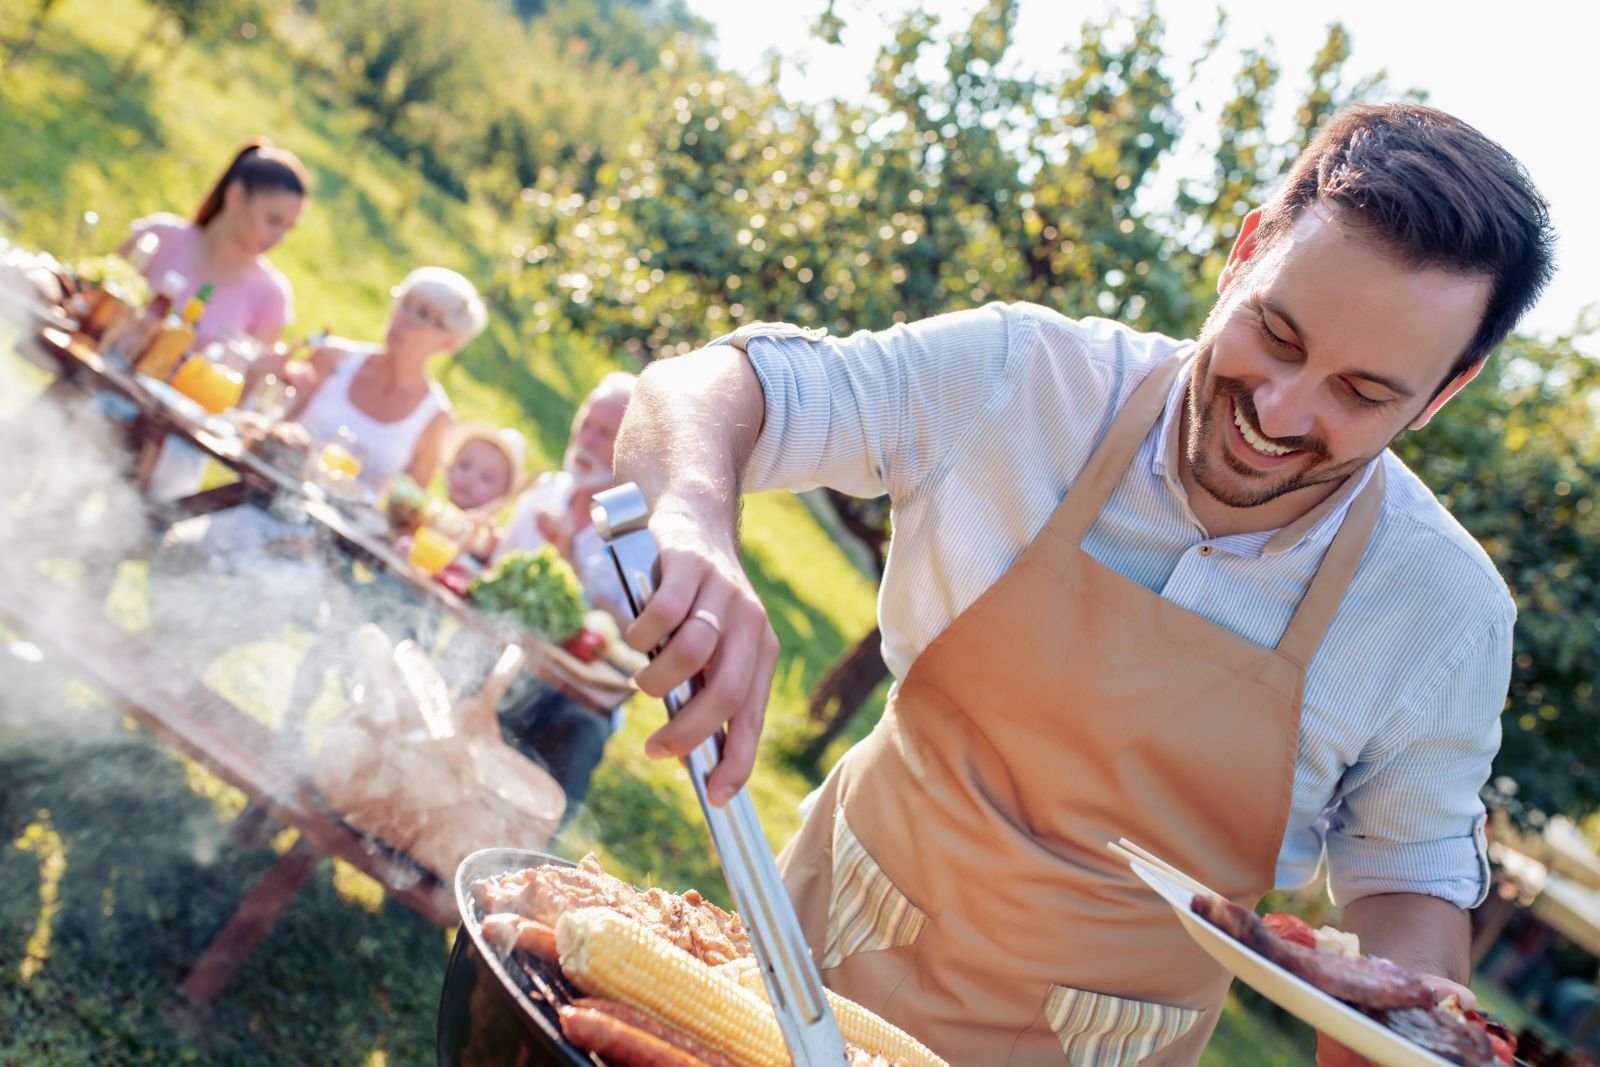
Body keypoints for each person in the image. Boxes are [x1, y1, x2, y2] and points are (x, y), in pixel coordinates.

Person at [610, 103, 1556, 1065]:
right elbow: (713, 389)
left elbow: (1408, 878)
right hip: (806, 967)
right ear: (1245, 253)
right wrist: (693, 520)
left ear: (1444, 391)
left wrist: (1402, 1020)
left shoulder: (1446, 613)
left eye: (1361, 393)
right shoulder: (1027, 378)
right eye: (1276, 334)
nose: (1280, 410)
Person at [473, 372, 637, 811]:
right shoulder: (545, 493)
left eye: (605, 434)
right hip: (503, 655)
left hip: (572, 689)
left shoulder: (638, 536)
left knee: (581, 732)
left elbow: (636, 640)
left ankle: (526, 841)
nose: (588, 441)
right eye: (586, 425)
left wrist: (569, 558)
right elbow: (494, 572)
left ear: (633, 450)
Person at [118, 138, 308, 499]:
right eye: (273, 221)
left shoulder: (271, 296)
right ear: (236, 197)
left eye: (288, 228)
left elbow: (236, 408)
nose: (279, 237)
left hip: (180, 439)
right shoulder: (158, 237)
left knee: (159, 485)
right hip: (110, 388)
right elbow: (97, 300)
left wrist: (261, 374)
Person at [282, 265, 486, 497]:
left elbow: (406, 505)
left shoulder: (435, 419)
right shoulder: (332, 359)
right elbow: (269, 426)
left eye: (423, 315)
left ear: (448, 343)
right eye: (404, 303)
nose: (402, 318)